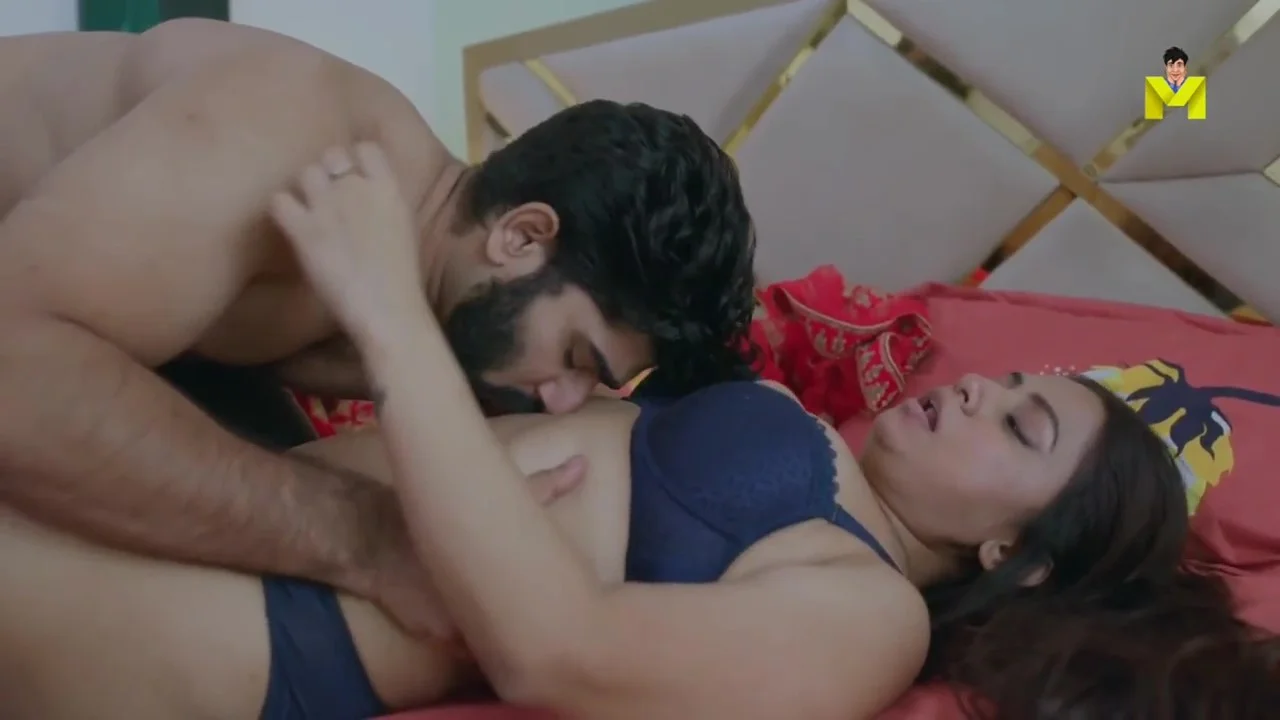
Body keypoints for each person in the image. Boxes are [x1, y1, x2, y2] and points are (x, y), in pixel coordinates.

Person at [4, 147, 1277, 720]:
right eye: (1007, 383)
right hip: (249, 511)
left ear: (1018, 556)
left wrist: (386, 315)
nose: (974, 391)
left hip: (263, 629)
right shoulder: (783, 408)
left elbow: (559, 651)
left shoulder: (867, 615)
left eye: (1020, 425)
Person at [0, 18, 756, 636]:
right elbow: (16, 374)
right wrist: (363, 537)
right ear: (521, 235)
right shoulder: (285, 138)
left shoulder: (428, 308)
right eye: (575, 355)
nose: (563, 399)